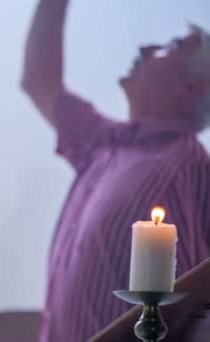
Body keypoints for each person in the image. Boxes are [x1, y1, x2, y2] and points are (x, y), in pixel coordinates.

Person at [21, 1, 210, 341]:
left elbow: (198, 298)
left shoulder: (186, 163)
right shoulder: (103, 142)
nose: (146, 47)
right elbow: (38, 80)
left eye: (172, 47)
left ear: (193, 86)